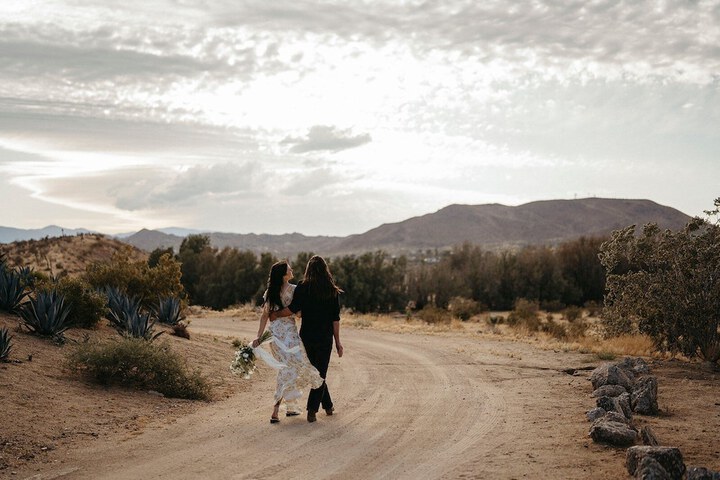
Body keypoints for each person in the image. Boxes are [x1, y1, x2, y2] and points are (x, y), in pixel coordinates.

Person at [270, 255, 343, 423]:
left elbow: (292, 309)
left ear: (308, 269)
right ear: (326, 270)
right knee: (319, 372)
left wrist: (276, 314)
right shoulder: (332, 291)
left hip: (307, 337)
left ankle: (328, 405)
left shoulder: (303, 287)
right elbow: (335, 319)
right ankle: (312, 409)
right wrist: (338, 342)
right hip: (325, 338)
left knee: (315, 371)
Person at [252, 261, 324, 424]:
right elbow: (297, 313)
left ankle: (290, 408)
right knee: (293, 367)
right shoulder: (294, 290)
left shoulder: (269, 292)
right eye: (289, 269)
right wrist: (292, 313)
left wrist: (259, 336)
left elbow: (265, 316)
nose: (292, 270)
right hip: (289, 336)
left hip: (275, 336)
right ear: (284, 274)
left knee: (286, 368)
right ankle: (275, 409)